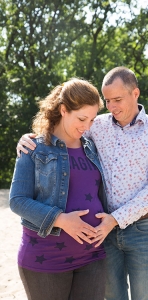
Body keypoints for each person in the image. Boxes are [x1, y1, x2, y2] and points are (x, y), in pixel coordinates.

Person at [17, 66, 148, 300]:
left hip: (142, 228)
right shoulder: (96, 125)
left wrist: (116, 219)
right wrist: (29, 138)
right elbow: (60, 136)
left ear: (135, 93)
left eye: (117, 99)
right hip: (102, 232)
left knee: (145, 297)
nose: (112, 107)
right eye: (107, 100)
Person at [10, 78, 109, 300]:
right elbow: (17, 201)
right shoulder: (34, 147)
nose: (87, 127)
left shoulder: (91, 146)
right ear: (63, 110)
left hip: (93, 256)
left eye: (92, 120)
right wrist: (61, 219)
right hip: (46, 259)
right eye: (82, 118)